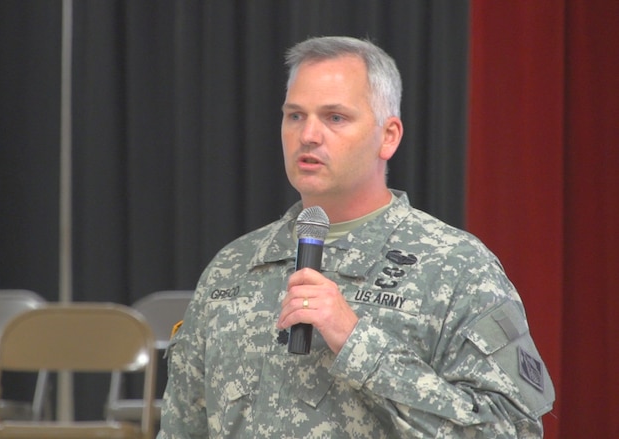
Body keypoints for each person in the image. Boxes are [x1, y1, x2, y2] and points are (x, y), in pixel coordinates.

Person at [157, 36, 554, 438]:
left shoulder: (457, 266)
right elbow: (180, 428)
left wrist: (357, 341)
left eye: (335, 117)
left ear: (389, 136)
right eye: (295, 116)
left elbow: (511, 430)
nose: (308, 135)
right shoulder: (233, 266)